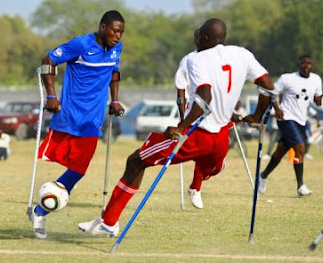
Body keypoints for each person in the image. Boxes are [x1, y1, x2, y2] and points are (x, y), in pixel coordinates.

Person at [78, 18, 274, 237]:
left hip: (197, 135)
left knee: (135, 161)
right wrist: (257, 115)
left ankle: (109, 222)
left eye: (198, 34)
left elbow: (204, 96)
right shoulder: (242, 54)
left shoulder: (196, 59)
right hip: (221, 137)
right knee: (210, 164)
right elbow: (268, 86)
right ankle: (216, 165)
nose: (195, 38)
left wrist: (182, 126)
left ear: (206, 38)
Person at [31, 10, 125, 239]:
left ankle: (41, 209)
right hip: (69, 116)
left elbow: (114, 73)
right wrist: (51, 96)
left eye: (122, 32)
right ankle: (44, 204)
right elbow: (48, 60)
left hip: (92, 121)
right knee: (58, 160)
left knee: (79, 169)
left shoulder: (116, 49)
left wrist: (114, 100)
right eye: (115, 30)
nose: (118, 36)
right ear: (103, 27)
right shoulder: (80, 45)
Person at [259, 55, 322, 196]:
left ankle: (263, 176)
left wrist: (318, 100)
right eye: (303, 63)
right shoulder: (287, 78)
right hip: (286, 118)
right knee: (300, 148)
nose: (306, 66)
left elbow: (318, 98)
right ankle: (300, 186)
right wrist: (277, 108)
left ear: (312, 66)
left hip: (301, 120)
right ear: (298, 64)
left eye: (309, 63)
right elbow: (273, 93)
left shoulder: (316, 79)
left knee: (280, 151)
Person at [174, 28, 205, 209]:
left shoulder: (218, 58)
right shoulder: (188, 60)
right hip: (193, 111)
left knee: (217, 161)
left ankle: (197, 184)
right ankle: (196, 187)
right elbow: (180, 88)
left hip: (216, 112)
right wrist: (181, 114)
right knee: (198, 151)